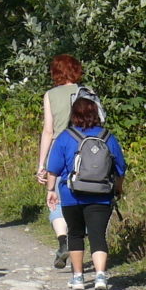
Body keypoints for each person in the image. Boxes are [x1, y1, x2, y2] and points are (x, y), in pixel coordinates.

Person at [46, 97, 126, 290]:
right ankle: (100, 276)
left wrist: (50, 191)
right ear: (96, 113)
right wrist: (117, 188)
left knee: (75, 233)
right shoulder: (108, 137)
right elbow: (121, 169)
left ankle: (78, 277)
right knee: (98, 235)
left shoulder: (66, 137)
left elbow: (53, 170)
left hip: (72, 194)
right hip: (101, 195)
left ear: (74, 115)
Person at [36, 54, 83, 268]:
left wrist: (42, 164)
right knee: (82, 194)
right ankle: (78, 243)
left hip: (59, 148)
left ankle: (64, 241)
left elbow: (48, 130)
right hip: (85, 149)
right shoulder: (87, 92)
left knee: (55, 196)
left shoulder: (51, 95)